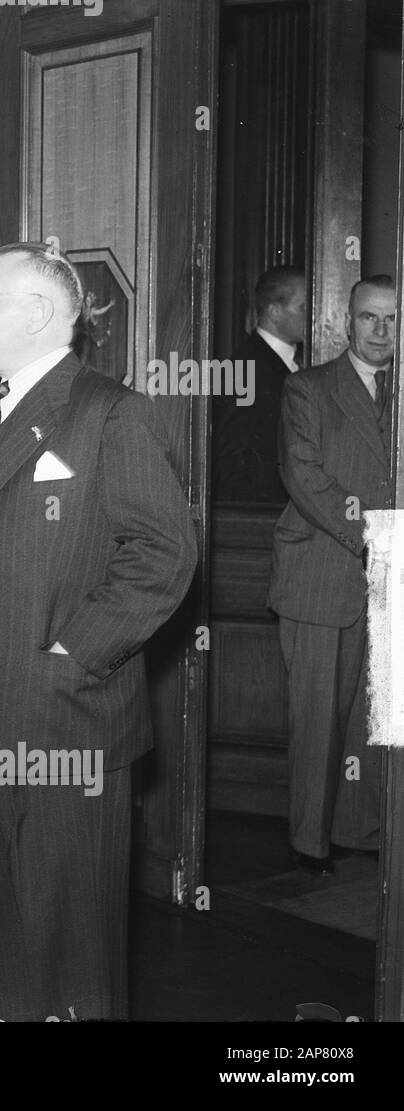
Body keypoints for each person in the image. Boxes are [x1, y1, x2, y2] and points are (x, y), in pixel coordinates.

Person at [0, 242, 196, 1021]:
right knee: (1, 923)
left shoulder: (111, 410)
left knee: (76, 950)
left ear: (35, 312)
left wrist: (74, 653)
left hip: (66, 723)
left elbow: (165, 553)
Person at [267, 274, 394, 875]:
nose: (381, 331)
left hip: (389, 583)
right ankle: (310, 843)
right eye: (370, 318)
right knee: (319, 717)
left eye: (392, 320)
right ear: (348, 322)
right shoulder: (308, 388)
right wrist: (374, 536)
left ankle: (360, 831)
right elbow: (305, 475)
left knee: (375, 718)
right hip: (325, 571)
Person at [214, 266, 307, 502]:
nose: (313, 314)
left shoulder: (293, 362)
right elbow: (233, 461)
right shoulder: (245, 368)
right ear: (274, 312)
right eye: (304, 307)